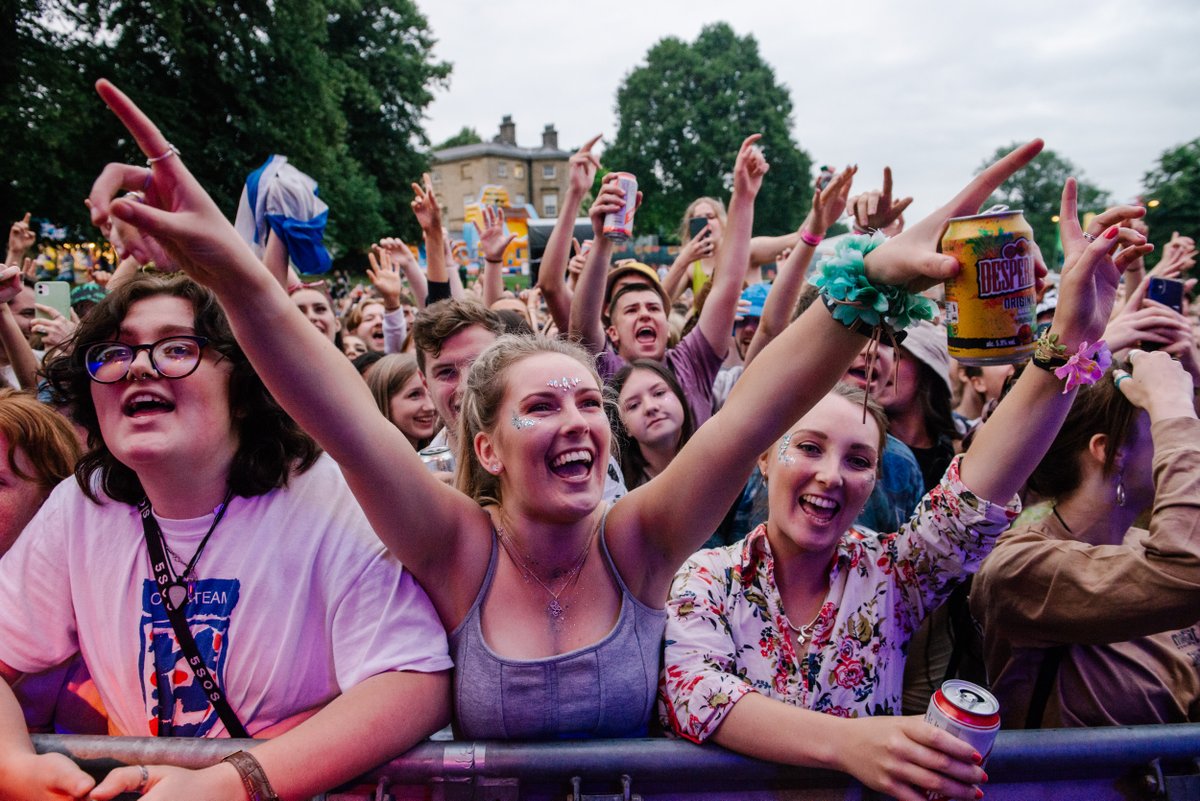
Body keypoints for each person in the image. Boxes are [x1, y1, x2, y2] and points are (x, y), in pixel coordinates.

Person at [86, 80, 1045, 795]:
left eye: (590, 403)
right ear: (490, 448)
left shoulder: (642, 542)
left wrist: (868, 270)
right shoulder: (455, 547)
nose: (580, 420)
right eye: (543, 407)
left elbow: (756, 408)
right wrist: (232, 271)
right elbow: (333, 403)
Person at [658, 179, 1148, 801]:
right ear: (764, 457)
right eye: (808, 447)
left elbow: (974, 498)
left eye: (859, 459)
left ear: (875, 481)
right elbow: (692, 691)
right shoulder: (707, 577)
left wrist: (1070, 341)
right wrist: (849, 744)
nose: (832, 475)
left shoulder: (891, 575)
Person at [0, 273, 451, 800]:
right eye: (115, 353)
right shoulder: (85, 503)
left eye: (176, 348)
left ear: (244, 385)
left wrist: (233, 782)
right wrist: (12, 763)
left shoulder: (330, 493)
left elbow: (414, 681)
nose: (140, 366)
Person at [972, 348, 1200, 729]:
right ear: (1109, 451)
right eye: (1156, 424)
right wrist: (1173, 407)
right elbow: (1188, 569)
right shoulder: (1018, 568)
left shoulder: (1147, 545)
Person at [610, 359, 694, 490]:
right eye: (633, 406)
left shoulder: (716, 460)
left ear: (681, 398)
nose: (650, 407)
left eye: (659, 393)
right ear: (624, 427)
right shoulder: (618, 490)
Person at [366, 353, 439, 450]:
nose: (430, 407)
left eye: (431, 393)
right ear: (384, 401)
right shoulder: (367, 463)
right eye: (415, 395)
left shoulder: (443, 452)